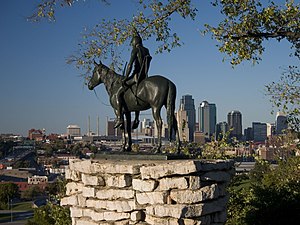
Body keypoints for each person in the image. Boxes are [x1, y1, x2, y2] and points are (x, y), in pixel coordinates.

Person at [114, 32, 152, 129]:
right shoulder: (146, 50)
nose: (131, 44)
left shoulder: (135, 50)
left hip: (136, 77)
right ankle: (136, 118)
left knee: (118, 94)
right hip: (144, 77)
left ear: (134, 42)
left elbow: (130, 65)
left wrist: (126, 77)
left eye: (132, 42)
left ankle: (119, 119)